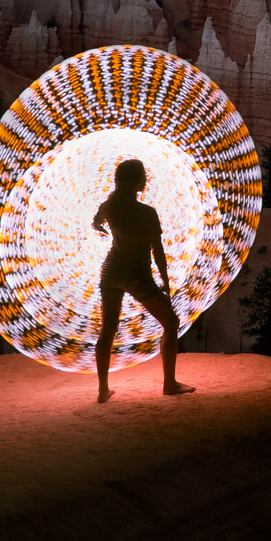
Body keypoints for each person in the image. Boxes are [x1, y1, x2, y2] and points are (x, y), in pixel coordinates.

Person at [91, 158, 193, 402]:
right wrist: (166, 282)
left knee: (107, 331)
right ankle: (170, 384)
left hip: (111, 273)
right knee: (170, 322)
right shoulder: (147, 213)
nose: (146, 180)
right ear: (137, 182)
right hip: (137, 276)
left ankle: (103, 390)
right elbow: (157, 252)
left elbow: (96, 222)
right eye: (143, 176)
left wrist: (101, 228)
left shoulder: (109, 206)